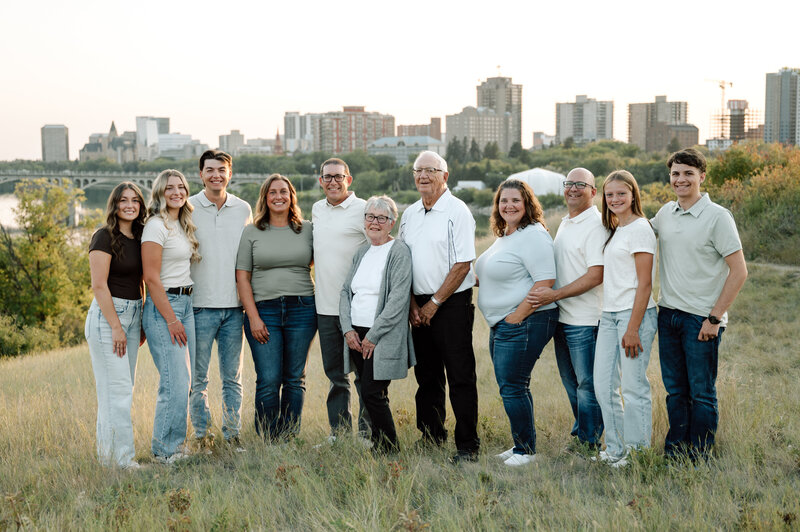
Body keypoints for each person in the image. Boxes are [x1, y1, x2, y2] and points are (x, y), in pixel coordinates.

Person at [653, 148, 747, 461]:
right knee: (676, 391)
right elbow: (634, 232)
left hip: (702, 320)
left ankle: (700, 455)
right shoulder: (666, 213)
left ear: (702, 177)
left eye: (688, 174)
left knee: (701, 392)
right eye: (676, 174)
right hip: (667, 317)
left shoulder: (718, 217)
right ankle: (675, 451)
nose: (681, 179)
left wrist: (715, 317)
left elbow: (739, 271)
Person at [398, 150, 480, 463]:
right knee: (427, 376)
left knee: (460, 375)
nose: (423, 176)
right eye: (418, 171)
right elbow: (402, 262)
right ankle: (431, 435)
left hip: (450, 303)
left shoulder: (457, 211)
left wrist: (434, 303)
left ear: (445, 176)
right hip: (417, 304)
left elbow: (462, 264)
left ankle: (467, 446)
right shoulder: (410, 214)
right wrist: (411, 306)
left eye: (430, 170)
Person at [475, 179, 559, 467]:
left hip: (528, 320)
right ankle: (520, 444)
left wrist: (517, 316)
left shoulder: (534, 234)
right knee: (510, 386)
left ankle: (526, 452)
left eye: (515, 201)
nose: (508, 206)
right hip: (504, 322)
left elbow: (545, 281)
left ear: (527, 204)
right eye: (503, 201)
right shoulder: (507, 236)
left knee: (513, 385)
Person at [527, 168, 605, 452]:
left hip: (585, 320)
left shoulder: (596, 225)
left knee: (587, 385)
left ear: (593, 192)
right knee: (571, 382)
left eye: (580, 185)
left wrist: (555, 294)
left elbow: (597, 275)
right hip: (563, 317)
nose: (573, 189)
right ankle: (584, 430)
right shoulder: (567, 222)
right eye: (569, 183)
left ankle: (590, 442)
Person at [236, 174, 316, 441]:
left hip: (303, 308)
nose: (279, 196)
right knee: (269, 378)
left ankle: (288, 436)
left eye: (284, 191)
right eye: (273, 192)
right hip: (264, 310)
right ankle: (268, 439)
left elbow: (321, 263)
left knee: (294, 377)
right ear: (265, 198)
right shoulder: (252, 231)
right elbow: (242, 277)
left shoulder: (307, 229)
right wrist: (254, 317)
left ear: (292, 195)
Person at [339, 196, 415, 453]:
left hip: (380, 334)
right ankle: (380, 443)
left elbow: (397, 300)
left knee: (372, 391)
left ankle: (390, 447)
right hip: (356, 333)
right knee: (369, 390)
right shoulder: (362, 251)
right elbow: (345, 293)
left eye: (381, 218)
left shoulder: (399, 252)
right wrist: (348, 330)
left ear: (391, 223)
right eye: (370, 217)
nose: (374, 222)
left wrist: (373, 336)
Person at [188, 149, 252, 453]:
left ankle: (232, 434)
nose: (216, 175)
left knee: (232, 378)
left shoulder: (243, 209)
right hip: (199, 306)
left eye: (221, 170)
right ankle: (201, 435)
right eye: (210, 170)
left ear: (230, 173)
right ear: (201, 174)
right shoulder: (186, 208)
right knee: (198, 379)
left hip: (234, 308)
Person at [593, 170, 657, 468]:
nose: (615, 199)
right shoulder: (616, 228)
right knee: (603, 385)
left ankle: (637, 453)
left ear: (633, 195)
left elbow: (645, 284)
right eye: (610, 194)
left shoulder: (641, 228)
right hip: (609, 315)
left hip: (635, 316)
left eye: (621, 193)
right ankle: (616, 449)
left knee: (633, 387)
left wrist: (632, 328)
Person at [85, 182, 147, 469]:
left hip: (133, 315)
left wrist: (141, 319)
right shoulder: (104, 237)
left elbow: (141, 281)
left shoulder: (140, 237)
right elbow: (99, 286)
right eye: (124, 200)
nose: (130, 205)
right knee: (117, 390)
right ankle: (122, 461)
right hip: (108, 318)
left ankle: (109, 458)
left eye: (135, 200)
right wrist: (117, 327)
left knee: (120, 390)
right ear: (115, 204)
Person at [142, 169, 201, 464]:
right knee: (174, 381)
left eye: (181, 187)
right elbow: (151, 278)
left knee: (185, 381)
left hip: (186, 305)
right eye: (170, 188)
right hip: (165, 308)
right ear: (160, 192)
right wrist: (171, 319)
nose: (176, 192)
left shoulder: (181, 223)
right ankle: (164, 451)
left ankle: (176, 445)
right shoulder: (156, 225)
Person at [311, 157, 371, 444]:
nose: (333, 182)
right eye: (327, 177)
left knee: (363, 375)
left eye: (338, 176)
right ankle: (339, 432)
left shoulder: (364, 210)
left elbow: (381, 250)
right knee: (336, 375)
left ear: (349, 179)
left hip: (358, 310)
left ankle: (367, 432)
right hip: (325, 308)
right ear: (320, 181)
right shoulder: (317, 210)